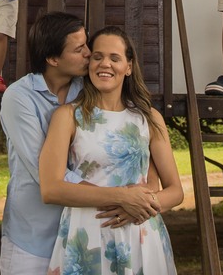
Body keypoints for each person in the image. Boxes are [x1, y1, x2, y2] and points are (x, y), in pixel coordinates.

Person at [40, 26, 183, 274]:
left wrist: (142, 204)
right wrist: (122, 197)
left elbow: (176, 191)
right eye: (97, 57)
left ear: (128, 66)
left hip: (140, 233)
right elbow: (51, 189)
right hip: (87, 238)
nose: (105, 64)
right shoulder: (67, 116)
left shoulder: (149, 118)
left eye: (114, 58)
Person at [0, 11, 90, 275]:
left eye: (86, 44)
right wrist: (110, 197)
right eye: (79, 48)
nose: (88, 53)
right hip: (32, 238)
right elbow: (45, 173)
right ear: (52, 59)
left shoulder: (88, 90)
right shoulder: (19, 97)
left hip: (81, 234)